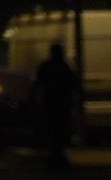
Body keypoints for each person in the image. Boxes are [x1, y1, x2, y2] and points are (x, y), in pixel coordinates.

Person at [33, 43, 78, 171]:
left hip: (51, 104)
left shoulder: (47, 66)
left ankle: (55, 157)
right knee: (60, 131)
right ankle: (58, 156)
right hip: (60, 104)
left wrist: (35, 101)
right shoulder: (64, 66)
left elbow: (38, 84)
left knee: (54, 131)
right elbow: (73, 84)